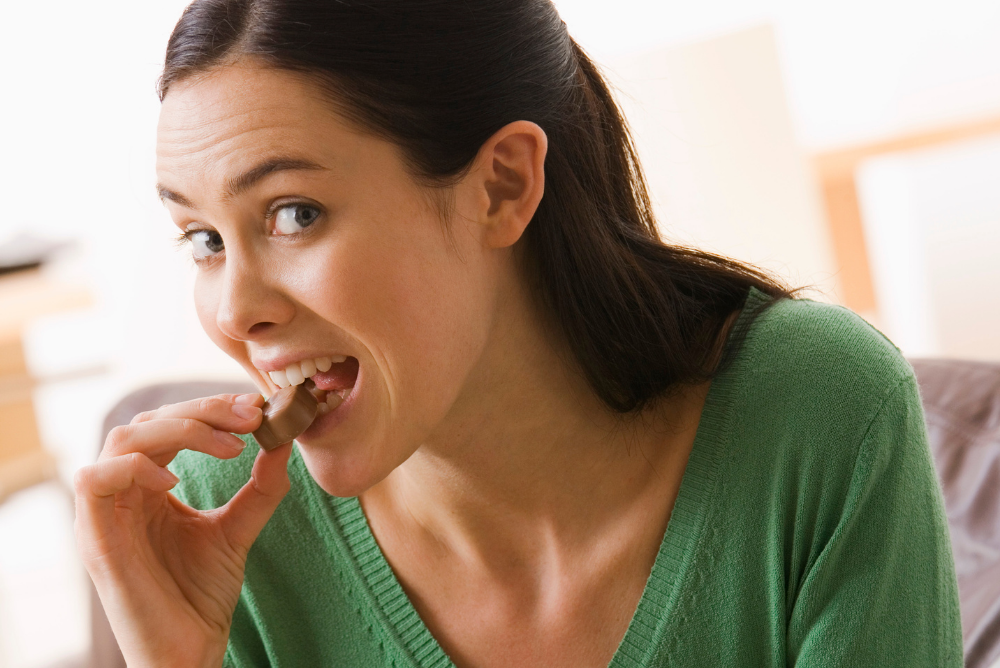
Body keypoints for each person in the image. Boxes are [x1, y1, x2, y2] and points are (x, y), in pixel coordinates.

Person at [73, 1, 963, 666]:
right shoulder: (221, 523)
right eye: (204, 239)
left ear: (500, 185)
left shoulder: (815, 415)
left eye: (294, 213)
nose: (234, 312)